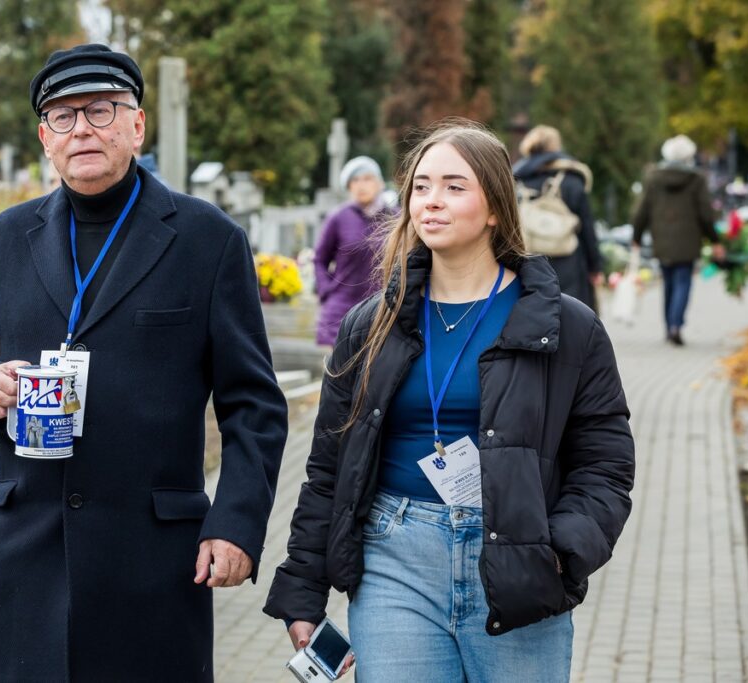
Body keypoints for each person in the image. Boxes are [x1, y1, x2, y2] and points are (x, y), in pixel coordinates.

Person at [0, 43, 288, 682]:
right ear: (45, 138)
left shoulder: (207, 240)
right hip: (24, 555)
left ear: (136, 125)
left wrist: (236, 524)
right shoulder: (5, 237)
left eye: (100, 111)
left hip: (151, 559)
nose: (82, 130)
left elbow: (254, 405)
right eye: (63, 117)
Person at [264, 119, 635, 682]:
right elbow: (329, 465)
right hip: (395, 559)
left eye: (454, 187)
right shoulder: (372, 324)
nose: (431, 202)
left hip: (517, 559)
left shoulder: (567, 327)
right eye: (421, 186)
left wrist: (559, 551)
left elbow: (605, 463)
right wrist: (303, 588)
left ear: (494, 210)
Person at [632, 134, 725, 346]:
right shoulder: (697, 179)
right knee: (683, 282)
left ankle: (668, 326)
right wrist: (714, 239)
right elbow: (705, 213)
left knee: (668, 283)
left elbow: (642, 211)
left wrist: (636, 236)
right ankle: (676, 325)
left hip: (662, 239)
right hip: (688, 240)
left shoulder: (653, 177)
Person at [513, 125, 603, 312]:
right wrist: (595, 266)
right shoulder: (572, 179)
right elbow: (587, 226)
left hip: (529, 258)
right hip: (569, 258)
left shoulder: (517, 179)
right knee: (572, 313)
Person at [314, 156, 388, 346]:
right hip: (341, 311)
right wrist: (326, 291)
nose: (361, 185)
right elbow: (320, 259)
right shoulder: (338, 218)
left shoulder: (394, 217)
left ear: (379, 183)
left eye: (367, 178)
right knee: (340, 372)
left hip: (382, 310)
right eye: (355, 180)